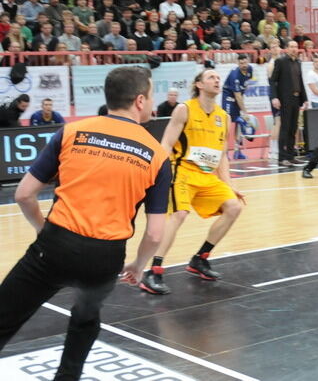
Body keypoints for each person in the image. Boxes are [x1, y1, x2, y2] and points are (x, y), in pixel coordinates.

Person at [0, 66, 171, 379]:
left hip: (55, 245)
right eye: (151, 96)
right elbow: (156, 233)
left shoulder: (71, 131)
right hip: (105, 257)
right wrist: (138, 265)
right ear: (138, 101)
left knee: (5, 316)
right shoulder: (157, 155)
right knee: (85, 317)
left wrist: (44, 231)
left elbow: (24, 195)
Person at [140, 68, 246, 295]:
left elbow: (222, 156)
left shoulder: (223, 117)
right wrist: (158, 171)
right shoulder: (184, 109)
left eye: (218, 78)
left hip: (207, 176)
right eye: (211, 77)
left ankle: (200, 259)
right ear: (199, 84)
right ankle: (153, 271)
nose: (217, 80)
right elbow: (166, 143)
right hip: (183, 171)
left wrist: (229, 185)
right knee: (179, 214)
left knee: (234, 206)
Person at [269, 40, 307, 166]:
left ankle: (291, 156)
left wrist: (305, 98)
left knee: (293, 128)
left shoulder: (298, 62)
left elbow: (300, 81)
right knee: (284, 128)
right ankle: (282, 157)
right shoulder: (280, 61)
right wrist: (274, 97)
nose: (294, 49)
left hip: (296, 99)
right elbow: (273, 81)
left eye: (296, 47)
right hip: (285, 99)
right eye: (291, 47)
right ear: (286, 49)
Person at [222, 54, 253, 159]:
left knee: (239, 123)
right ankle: (224, 152)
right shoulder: (235, 75)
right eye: (241, 63)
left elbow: (245, 86)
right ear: (237, 63)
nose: (243, 65)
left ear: (248, 61)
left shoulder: (250, 70)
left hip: (238, 96)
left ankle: (237, 151)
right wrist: (245, 111)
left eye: (245, 62)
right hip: (229, 98)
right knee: (227, 124)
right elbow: (237, 95)